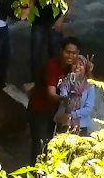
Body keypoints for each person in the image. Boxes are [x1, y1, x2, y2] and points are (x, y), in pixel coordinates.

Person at [27, 36, 80, 166]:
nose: (70, 56)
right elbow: (51, 93)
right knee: (39, 147)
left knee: (50, 144)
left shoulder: (72, 68)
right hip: (39, 109)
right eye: (67, 52)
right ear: (61, 51)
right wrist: (66, 99)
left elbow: (85, 86)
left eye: (74, 53)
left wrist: (88, 72)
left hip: (54, 111)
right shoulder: (52, 65)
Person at [29, 0, 73, 83]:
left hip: (55, 20)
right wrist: (28, 12)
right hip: (38, 20)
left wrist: (62, 18)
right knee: (35, 54)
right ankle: (36, 83)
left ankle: (58, 83)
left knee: (55, 53)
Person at [54, 54, 95, 137]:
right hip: (65, 125)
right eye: (75, 64)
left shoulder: (90, 86)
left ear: (85, 68)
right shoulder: (65, 84)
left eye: (81, 64)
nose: (77, 67)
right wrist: (71, 89)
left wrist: (71, 115)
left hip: (82, 126)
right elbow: (65, 102)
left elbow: (88, 109)